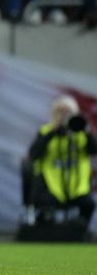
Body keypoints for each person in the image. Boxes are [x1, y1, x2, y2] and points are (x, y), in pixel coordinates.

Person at [26, 96, 96, 228]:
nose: (64, 116)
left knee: (89, 205)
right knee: (44, 205)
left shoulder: (81, 133)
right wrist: (53, 132)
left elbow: (94, 150)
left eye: (68, 112)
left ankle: (79, 232)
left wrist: (85, 129)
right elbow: (33, 153)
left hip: (77, 187)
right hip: (52, 186)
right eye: (61, 112)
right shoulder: (46, 131)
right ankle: (49, 234)